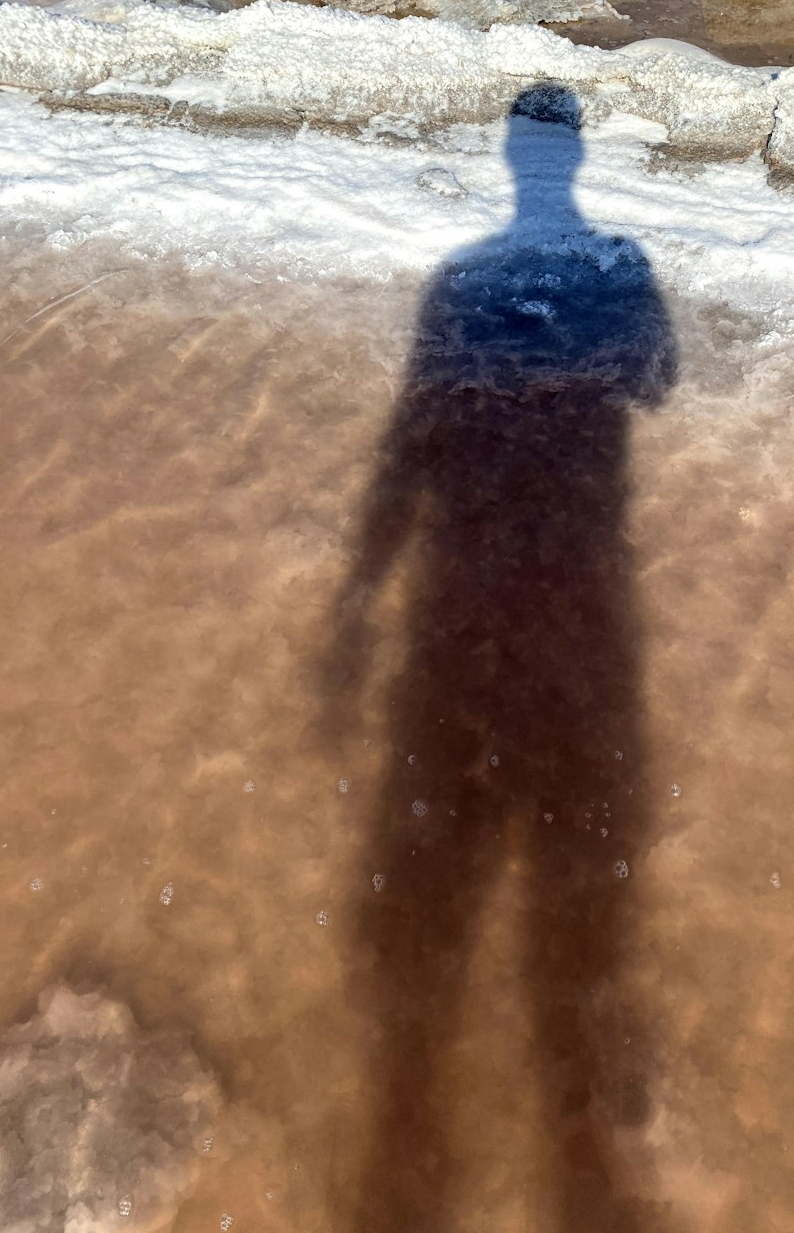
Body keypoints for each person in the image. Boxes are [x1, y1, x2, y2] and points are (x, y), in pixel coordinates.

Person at [329, 82, 676, 1231]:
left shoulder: (460, 280)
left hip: (455, 612)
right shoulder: (620, 268)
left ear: (510, 160)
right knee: (579, 888)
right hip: (582, 607)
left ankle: (405, 1145)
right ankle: (582, 1156)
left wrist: (352, 605)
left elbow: (406, 452)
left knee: (438, 887)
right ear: (573, 160)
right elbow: (654, 383)